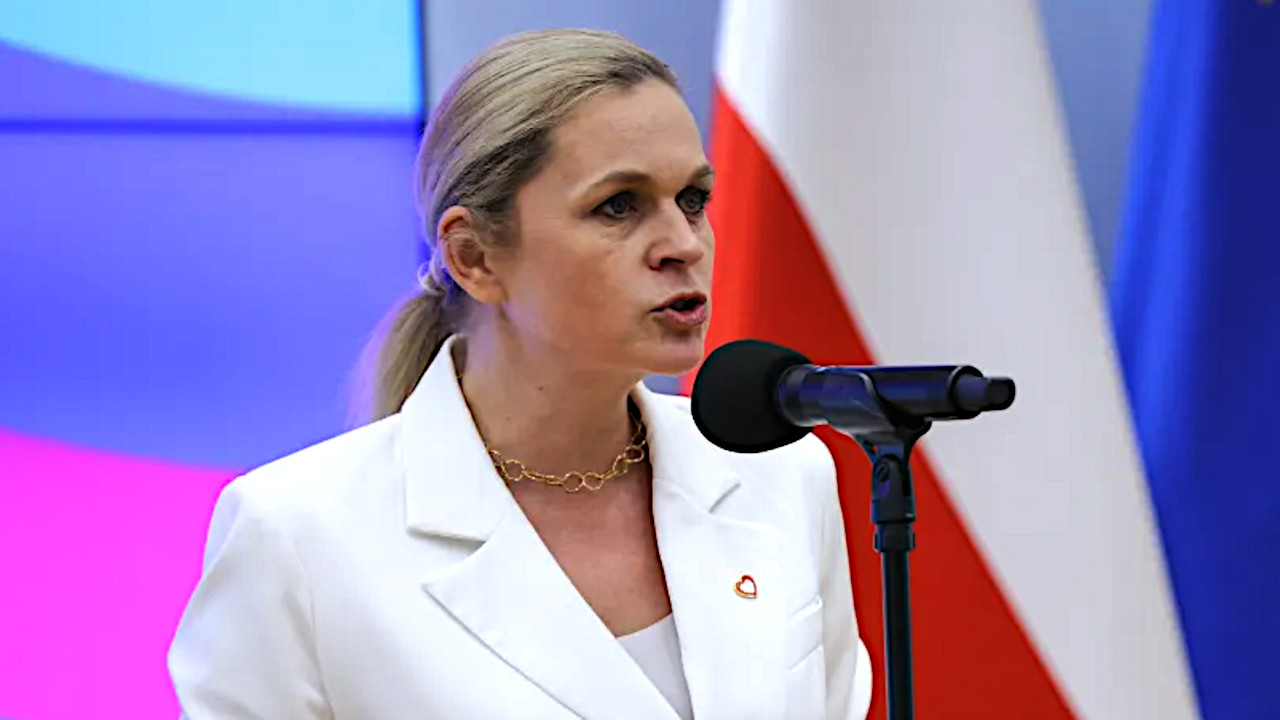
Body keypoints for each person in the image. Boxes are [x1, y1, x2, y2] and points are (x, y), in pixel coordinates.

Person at [168, 28, 872, 720]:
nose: (683, 244)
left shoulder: (781, 474)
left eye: (692, 199)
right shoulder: (296, 535)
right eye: (618, 206)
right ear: (473, 257)